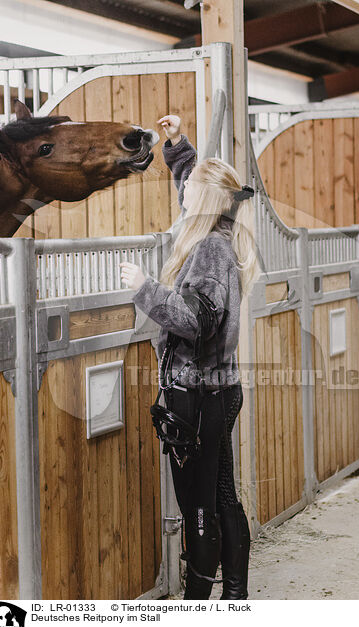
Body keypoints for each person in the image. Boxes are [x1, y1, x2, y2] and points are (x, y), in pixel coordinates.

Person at [120, 115, 260, 600]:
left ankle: (197, 600)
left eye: (189, 190)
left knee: (198, 502)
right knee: (221, 492)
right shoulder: (219, 230)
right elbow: (197, 181)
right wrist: (178, 146)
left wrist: (145, 289)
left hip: (198, 395)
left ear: (202, 200)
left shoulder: (208, 252)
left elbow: (195, 321)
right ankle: (235, 597)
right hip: (218, 390)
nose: (182, 194)